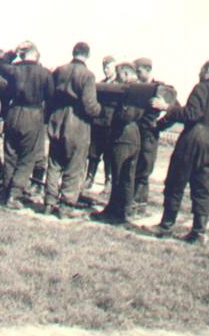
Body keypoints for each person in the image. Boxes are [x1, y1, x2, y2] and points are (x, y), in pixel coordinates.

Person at [150, 59, 209, 243]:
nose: (199, 72)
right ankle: (198, 232)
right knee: (202, 189)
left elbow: (191, 114)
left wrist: (167, 107)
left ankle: (166, 225)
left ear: (207, 70)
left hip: (192, 140)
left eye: (201, 69)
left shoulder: (200, 88)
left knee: (175, 183)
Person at [0, 41, 53, 209]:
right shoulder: (45, 74)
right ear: (36, 55)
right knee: (27, 158)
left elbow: (0, 64)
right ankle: (15, 195)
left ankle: (6, 192)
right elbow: (51, 98)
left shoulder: (14, 70)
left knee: (11, 154)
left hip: (13, 112)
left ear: (24, 55)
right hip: (33, 115)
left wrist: (13, 53)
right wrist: (45, 119)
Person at [44, 42, 102, 217]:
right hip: (76, 122)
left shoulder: (59, 70)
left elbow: (50, 96)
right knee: (74, 165)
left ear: (73, 52)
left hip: (57, 118)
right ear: (87, 55)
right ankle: (66, 207)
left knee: (54, 163)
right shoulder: (88, 76)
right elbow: (90, 106)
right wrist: (100, 111)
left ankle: (49, 203)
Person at [91, 62, 143, 224]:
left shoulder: (131, 90)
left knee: (121, 176)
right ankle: (120, 210)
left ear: (126, 74)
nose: (119, 80)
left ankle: (118, 213)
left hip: (123, 137)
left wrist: (113, 114)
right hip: (133, 136)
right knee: (125, 177)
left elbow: (127, 115)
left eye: (120, 76)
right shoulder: (142, 90)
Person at [133, 57, 166, 207]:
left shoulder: (160, 88)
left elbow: (172, 109)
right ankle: (131, 202)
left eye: (139, 71)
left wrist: (158, 126)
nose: (137, 74)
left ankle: (139, 204)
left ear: (147, 70)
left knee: (144, 170)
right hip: (135, 133)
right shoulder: (136, 88)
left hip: (149, 135)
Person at [85, 55, 118, 191]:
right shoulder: (100, 84)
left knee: (109, 155)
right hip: (98, 123)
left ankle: (108, 181)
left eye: (108, 67)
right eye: (104, 67)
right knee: (94, 153)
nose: (105, 70)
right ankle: (89, 178)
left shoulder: (119, 85)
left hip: (111, 124)